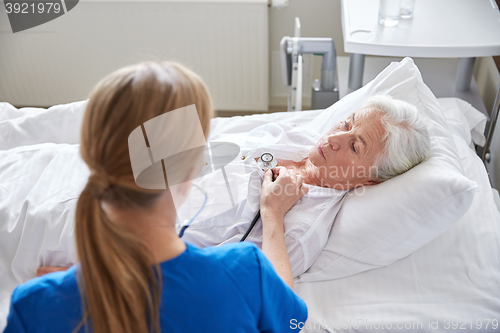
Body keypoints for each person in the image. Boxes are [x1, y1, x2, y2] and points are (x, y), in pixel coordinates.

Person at [3, 61, 308, 333]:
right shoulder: (245, 275)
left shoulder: (35, 305)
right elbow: (290, 322)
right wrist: (272, 215)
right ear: (191, 171)